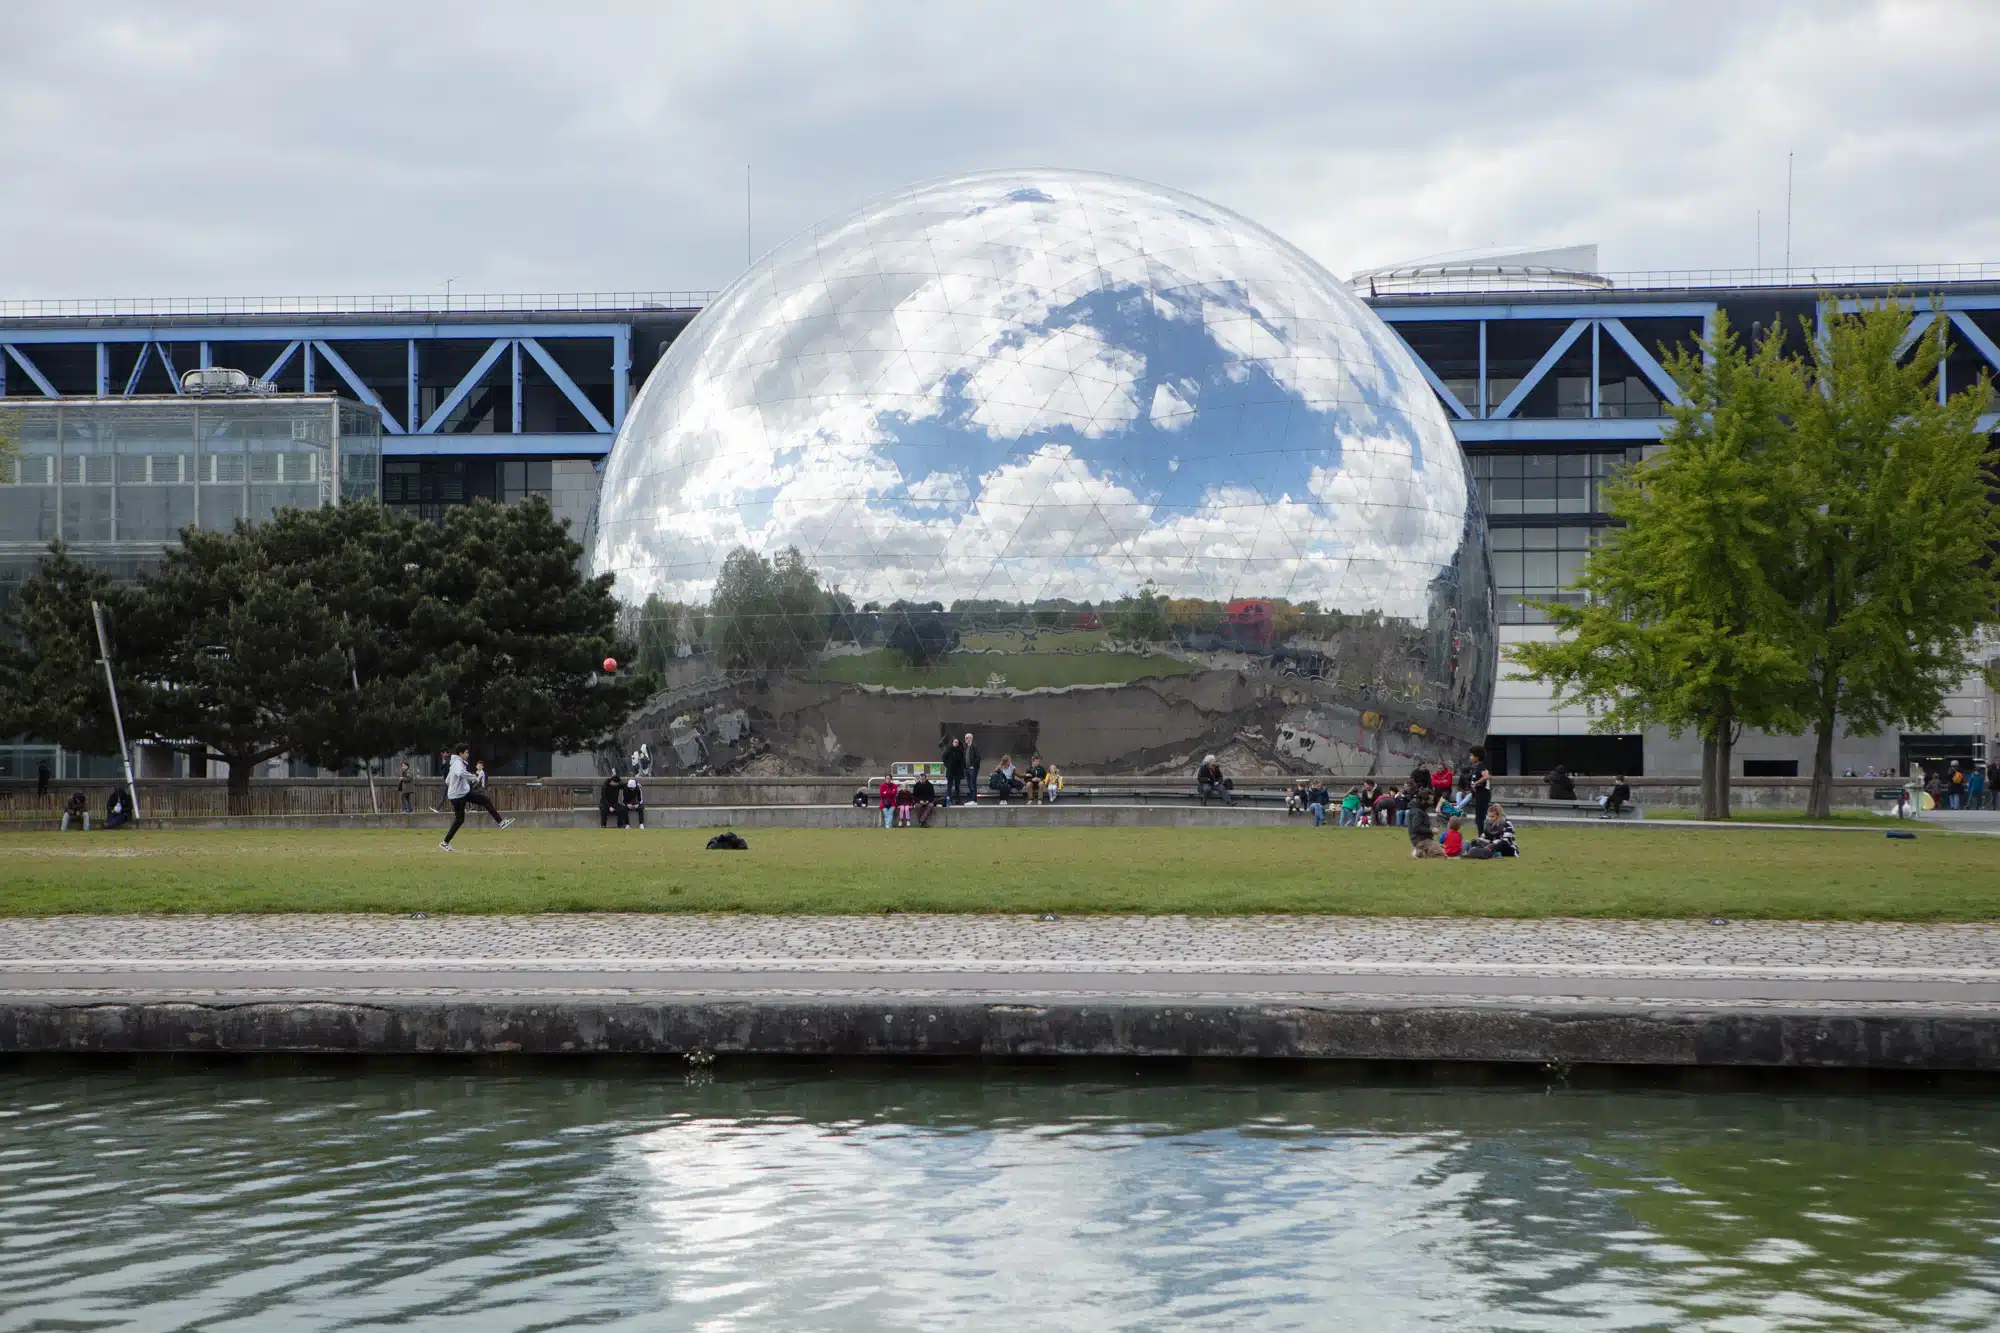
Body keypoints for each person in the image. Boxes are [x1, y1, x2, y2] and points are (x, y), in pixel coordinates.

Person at [440, 745, 513, 850]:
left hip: (462, 793)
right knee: (459, 819)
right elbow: (460, 773)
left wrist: (457, 785)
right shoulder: (457, 763)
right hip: (457, 796)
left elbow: (447, 780)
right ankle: (445, 842)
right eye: (466, 752)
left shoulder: (455, 763)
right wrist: (473, 778)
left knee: (485, 800)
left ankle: (501, 823)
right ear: (461, 754)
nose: (468, 754)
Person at [1408, 790, 1444, 858]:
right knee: (1442, 855)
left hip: (1423, 840)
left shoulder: (1419, 809)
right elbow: (1417, 827)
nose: (1432, 802)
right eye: (1431, 800)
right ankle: (1419, 851)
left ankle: (1420, 852)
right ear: (1424, 800)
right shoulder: (1417, 811)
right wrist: (1431, 831)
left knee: (1443, 850)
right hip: (1422, 840)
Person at [1467, 748, 1493, 833]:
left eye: (1471, 755)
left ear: (1477, 757)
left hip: (1483, 794)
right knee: (1479, 817)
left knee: (1480, 817)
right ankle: (1481, 835)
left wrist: (1476, 783)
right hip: (1479, 794)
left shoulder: (1481, 766)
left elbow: (1487, 776)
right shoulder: (1476, 767)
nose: (1470, 757)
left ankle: (1482, 835)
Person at [942, 736, 967, 805]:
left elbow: (963, 760)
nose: (956, 743)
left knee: (957, 787)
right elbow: (944, 758)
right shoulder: (948, 749)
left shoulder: (961, 750)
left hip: (958, 771)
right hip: (950, 770)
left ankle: (957, 800)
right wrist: (948, 765)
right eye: (955, 742)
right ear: (952, 742)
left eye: (957, 742)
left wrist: (963, 767)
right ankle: (948, 800)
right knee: (949, 786)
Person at [963, 733, 982, 803]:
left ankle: (974, 800)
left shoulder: (974, 747)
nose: (965, 739)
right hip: (967, 768)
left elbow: (978, 757)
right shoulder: (965, 747)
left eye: (967, 738)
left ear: (971, 738)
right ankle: (971, 800)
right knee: (969, 784)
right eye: (965, 738)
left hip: (973, 769)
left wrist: (973, 765)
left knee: (972, 784)